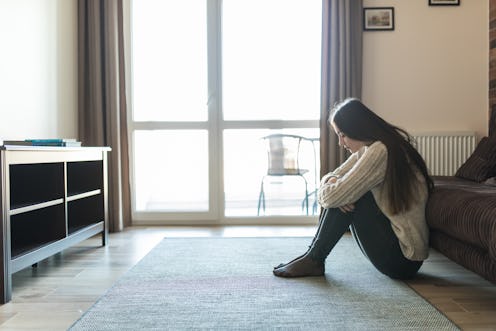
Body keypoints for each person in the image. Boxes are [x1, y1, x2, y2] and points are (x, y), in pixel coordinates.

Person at [273, 98, 434, 280]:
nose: (341, 143)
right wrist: (334, 183)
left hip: (402, 259)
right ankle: (312, 257)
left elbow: (333, 196)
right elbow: (332, 178)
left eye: (342, 134)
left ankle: (314, 259)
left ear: (357, 127)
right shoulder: (371, 149)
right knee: (345, 191)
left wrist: (339, 191)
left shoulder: (380, 151)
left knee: (350, 194)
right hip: (400, 254)